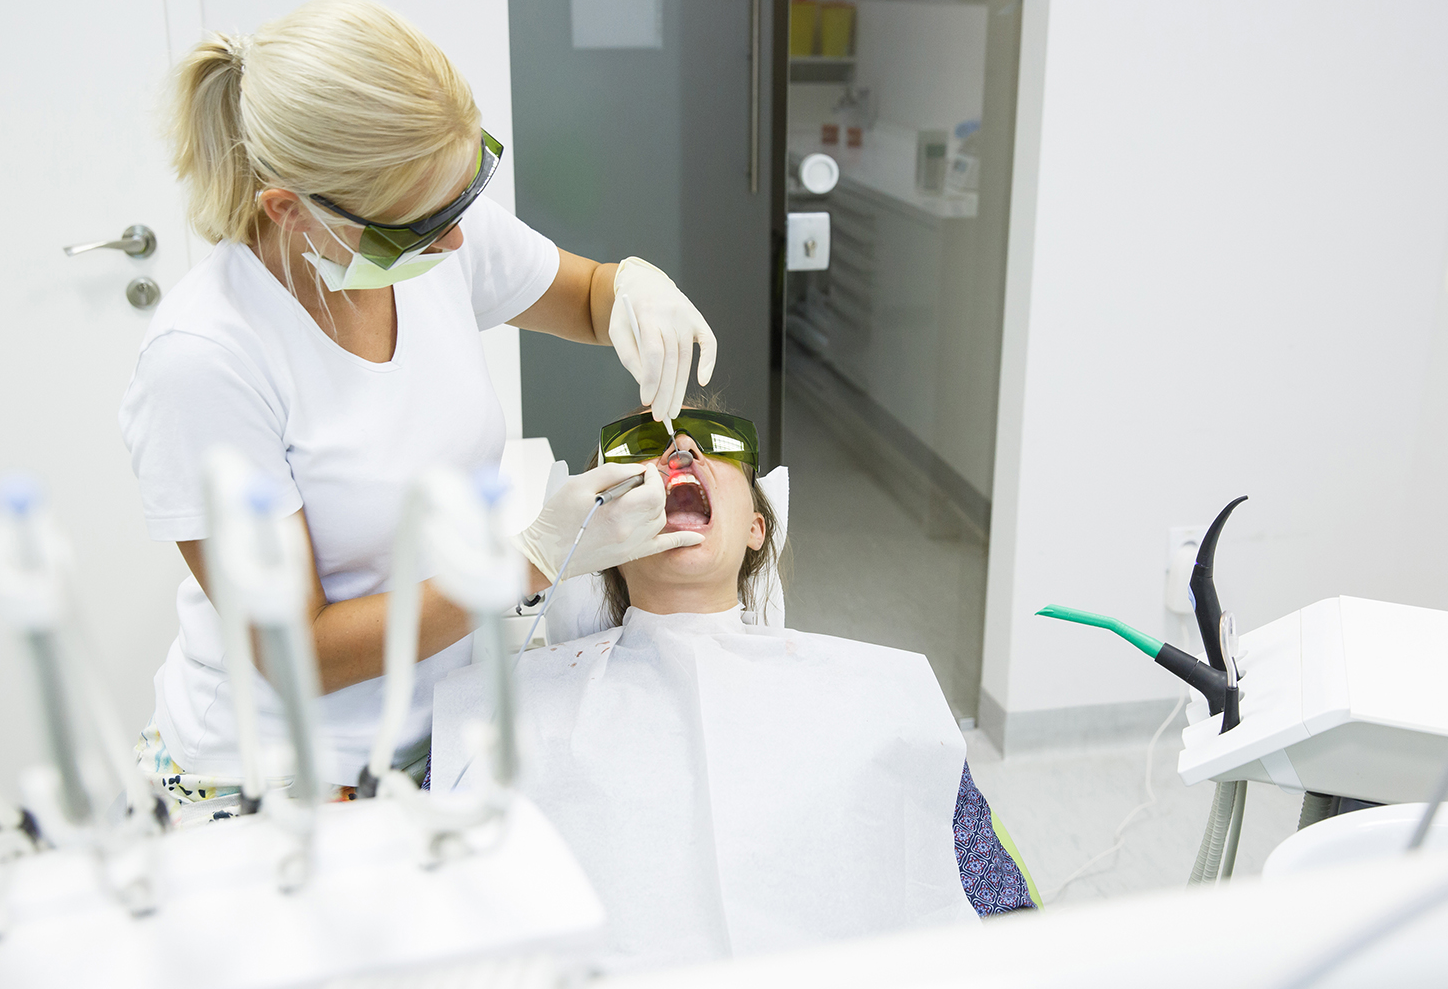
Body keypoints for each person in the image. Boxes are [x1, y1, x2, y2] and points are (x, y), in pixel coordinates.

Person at [119, 0, 718, 820]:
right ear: (292, 211)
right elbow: (301, 655)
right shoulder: (206, 361)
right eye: (425, 226)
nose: (459, 244)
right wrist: (532, 561)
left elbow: (581, 295)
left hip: (445, 727)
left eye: (466, 194)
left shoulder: (426, 221)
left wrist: (634, 287)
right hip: (281, 779)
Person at [430, 401, 1034, 971]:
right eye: (643, 449)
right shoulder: (509, 712)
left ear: (756, 528)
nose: (683, 449)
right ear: (604, 540)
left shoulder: (878, 698)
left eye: (716, 442)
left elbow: (1002, 906)